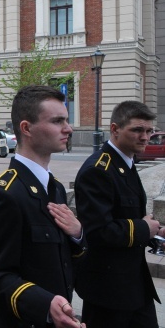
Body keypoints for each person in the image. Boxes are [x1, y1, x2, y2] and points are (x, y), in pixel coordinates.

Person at [0, 85, 86, 328]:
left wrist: (78, 235)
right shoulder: (4, 195)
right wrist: (44, 304)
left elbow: (61, 260)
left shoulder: (54, 187)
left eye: (66, 120)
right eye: (58, 121)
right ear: (26, 128)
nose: (68, 128)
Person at [74, 101, 163, 328]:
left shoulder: (126, 163)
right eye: (137, 130)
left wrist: (156, 233)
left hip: (134, 284)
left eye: (149, 131)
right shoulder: (99, 169)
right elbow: (98, 232)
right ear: (115, 129)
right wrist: (144, 228)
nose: (145, 137)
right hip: (108, 292)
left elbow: (129, 217)